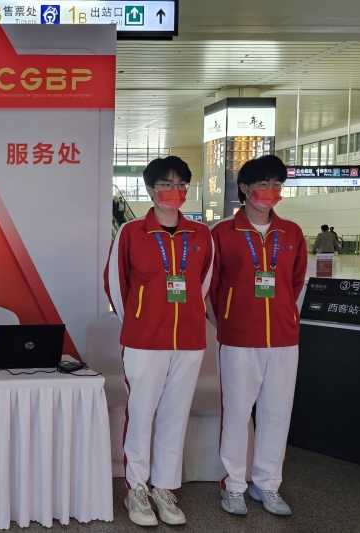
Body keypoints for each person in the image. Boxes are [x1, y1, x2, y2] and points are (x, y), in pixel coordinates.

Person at [104, 156, 214, 527]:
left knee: (176, 412)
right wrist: (138, 320)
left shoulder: (201, 235)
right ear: (150, 189)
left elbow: (203, 284)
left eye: (181, 184)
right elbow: (115, 284)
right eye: (167, 184)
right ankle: (136, 487)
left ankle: (164, 487)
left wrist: (188, 315)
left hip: (189, 340)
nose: (174, 191)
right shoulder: (132, 232)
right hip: (144, 340)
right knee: (141, 411)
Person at [209, 155, 307, 516]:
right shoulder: (222, 233)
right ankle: (234, 485)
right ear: (245, 189)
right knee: (236, 413)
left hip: (283, 338)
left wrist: (287, 316)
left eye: (277, 185)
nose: (271, 191)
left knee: (277, 414)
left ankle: (267, 484)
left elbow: (296, 283)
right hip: (238, 338)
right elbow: (212, 286)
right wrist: (227, 320)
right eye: (264, 184)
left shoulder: (291, 233)